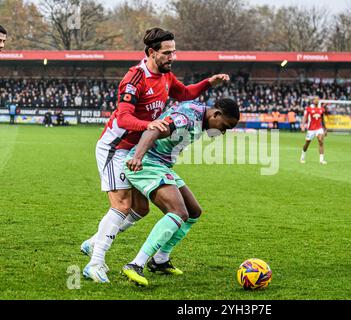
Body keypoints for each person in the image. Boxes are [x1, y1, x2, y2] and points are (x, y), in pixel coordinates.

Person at [81, 27, 230, 283]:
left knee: (141, 209)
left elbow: (185, 94)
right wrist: (147, 126)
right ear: (151, 52)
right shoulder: (134, 79)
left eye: (174, 51)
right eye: (167, 52)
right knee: (122, 205)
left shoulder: (166, 76)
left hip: (137, 147)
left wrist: (208, 83)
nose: (172, 57)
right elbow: (124, 117)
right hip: (116, 147)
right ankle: (95, 262)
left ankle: (94, 241)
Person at [121, 98, 240, 287]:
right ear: (216, 114)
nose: (223, 132)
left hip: (162, 166)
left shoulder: (201, 116)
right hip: (147, 163)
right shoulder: (187, 118)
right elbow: (155, 129)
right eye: (224, 126)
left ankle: (160, 260)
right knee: (178, 212)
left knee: (193, 212)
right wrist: (137, 157)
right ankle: (135, 264)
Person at [300, 96, 327, 165]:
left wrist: (325, 129)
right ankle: (302, 156)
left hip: (319, 128)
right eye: (315, 99)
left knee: (321, 141)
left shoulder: (321, 109)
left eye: (318, 99)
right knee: (307, 143)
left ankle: (321, 160)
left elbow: (323, 119)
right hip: (311, 129)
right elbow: (305, 118)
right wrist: (303, 126)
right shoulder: (309, 109)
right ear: (313, 101)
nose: (317, 100)